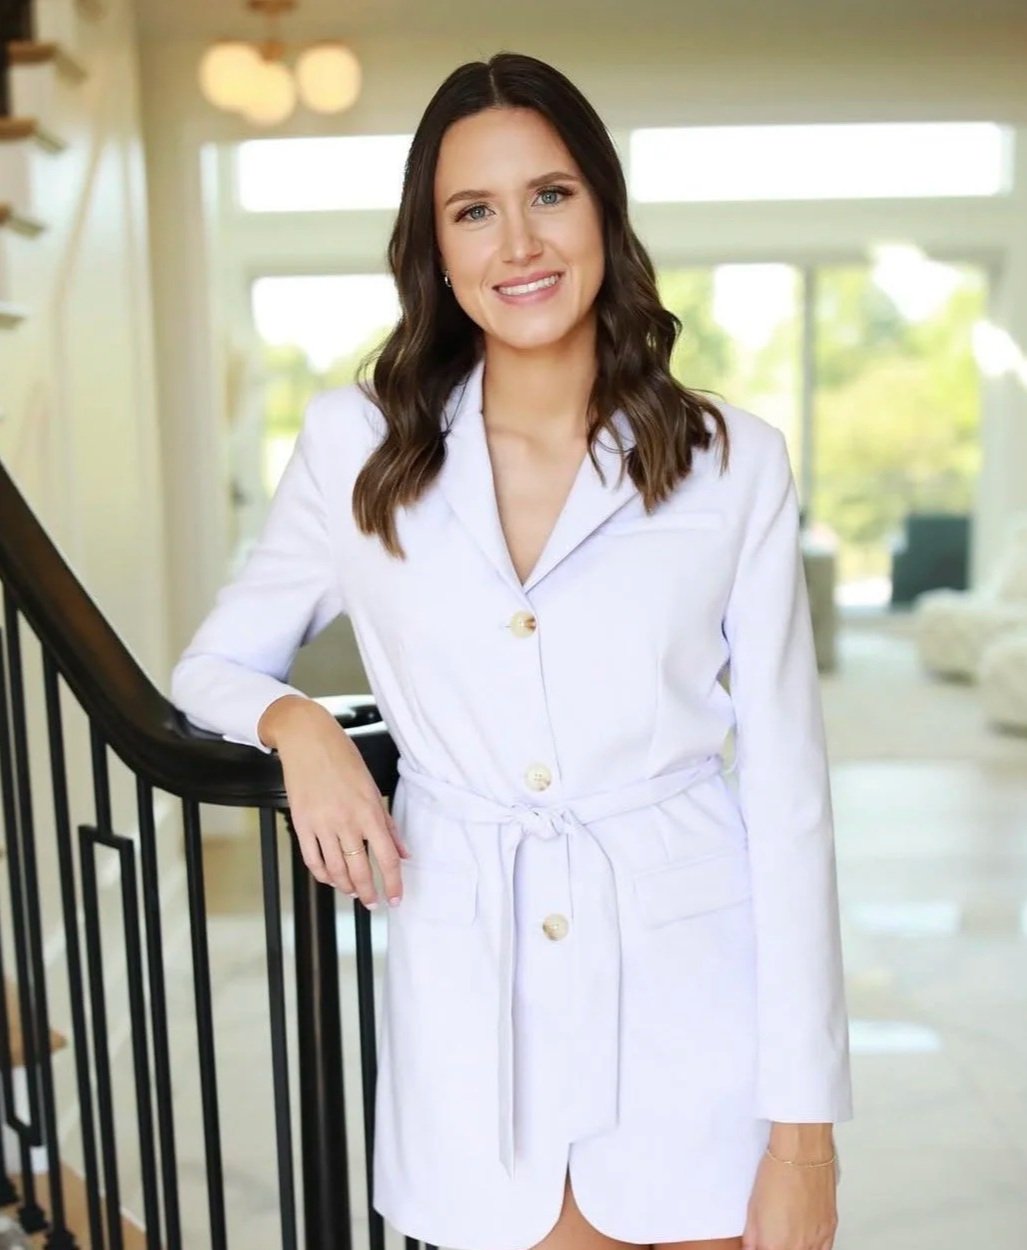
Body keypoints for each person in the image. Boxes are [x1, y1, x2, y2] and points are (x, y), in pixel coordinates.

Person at [171, 50, 853, 1250]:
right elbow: (214, 663)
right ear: (436, 249)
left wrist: (804, 1140)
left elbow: (791, 796)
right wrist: (302, 727)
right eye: (472, 211)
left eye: (549, 195)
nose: (518, 244)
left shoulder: (732, 460)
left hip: (696, 1005)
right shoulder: (355, 447)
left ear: (603, 208)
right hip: (472, 1009)